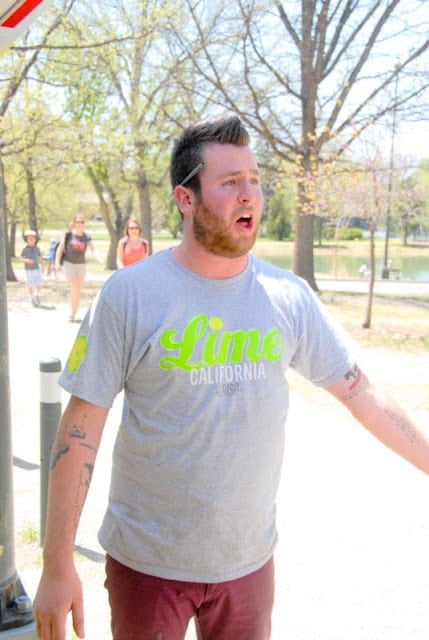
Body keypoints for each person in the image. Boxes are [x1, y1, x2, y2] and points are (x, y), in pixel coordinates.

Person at [34, 116, 429, 640]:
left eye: (255, 180)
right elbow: (79, 431)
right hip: (147, 565)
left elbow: (363, 394)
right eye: (230, 182)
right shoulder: (129, 295)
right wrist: (57, 564)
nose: (250, 195)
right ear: (186, 198)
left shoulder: (288, 297)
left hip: (247, 563)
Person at [55, 214, 102, 322]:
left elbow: (93, 248)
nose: (80, 224)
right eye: (78, 222)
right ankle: (72, 313)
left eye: (82, 222)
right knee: (74, 286)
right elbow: (60, 249)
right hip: (69, 264)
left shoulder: (86, 236)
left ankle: (74, 313)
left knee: (77, 289)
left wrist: (98, 258)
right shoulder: (68, 235)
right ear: (74, 223)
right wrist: (57, 263)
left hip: (81, 265)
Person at [19, 229, 44, 306]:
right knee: (30, 285)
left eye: (33, 238)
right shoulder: (25, 249)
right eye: (29, 238)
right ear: (26, 240)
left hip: (37, 269)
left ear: (35, 239)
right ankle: (32, 298)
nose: (31, 240)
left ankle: (36, 295)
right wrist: (26, 260)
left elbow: (40, 258)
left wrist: (42, 266)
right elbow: (21, 258)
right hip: (28, 270)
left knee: (39, 284)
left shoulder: (37, 249)